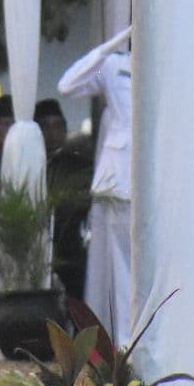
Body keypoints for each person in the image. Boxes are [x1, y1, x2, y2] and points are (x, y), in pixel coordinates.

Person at [56, 24, 133, 335]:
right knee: (118, 264)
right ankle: (121, 338)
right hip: (118, 177)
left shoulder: (171, 69)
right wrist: (110, 45)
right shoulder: (115, 66)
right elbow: (67, 85)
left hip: (155, 178)